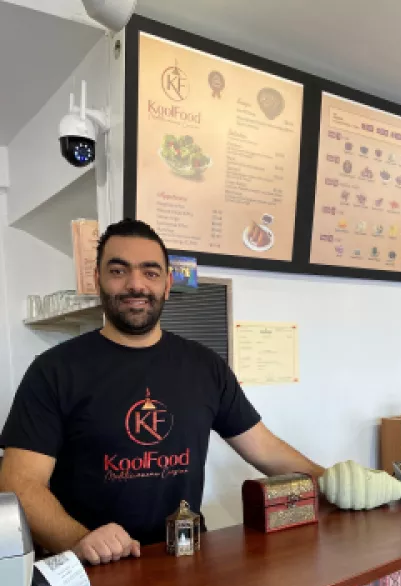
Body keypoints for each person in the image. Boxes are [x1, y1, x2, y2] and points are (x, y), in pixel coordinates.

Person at [0, 219, 324, 566]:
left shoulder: (204, 367)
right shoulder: (54, 371)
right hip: (92, 571)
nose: (135, 284)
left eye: (150, 272)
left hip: (184, 559)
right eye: (118, 270)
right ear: (98, 280)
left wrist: (332, 481)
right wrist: (80, 540)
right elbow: (19, 483)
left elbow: (265, 449)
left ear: (168, 284)